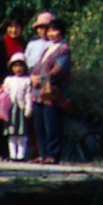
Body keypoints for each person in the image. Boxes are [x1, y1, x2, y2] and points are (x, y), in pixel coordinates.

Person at [30, 17, 71, 164]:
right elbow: (38, 66)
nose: (52, 34)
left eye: (55, 30)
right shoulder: (48, 48)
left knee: (52, 124)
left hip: (52, 92)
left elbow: (59, 70)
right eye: (50, 31)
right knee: (40, 125)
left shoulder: (64, 49)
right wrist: (32, 77)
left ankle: (53, 155)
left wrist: (41, 79)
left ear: (61, 32)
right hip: (39, 92)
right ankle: (43, 153)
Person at [0, 52, 33, 161]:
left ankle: (21, 155)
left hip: (21, 108)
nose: (18, 69)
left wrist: (28, 108)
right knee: (11, 132)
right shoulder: (8, 80)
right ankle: (13, 154)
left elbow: (28, 95)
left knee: (22, 133)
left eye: (20, 66)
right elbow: (5, 93)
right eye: (15, 66)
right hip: (10, 108)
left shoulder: (27, 80)